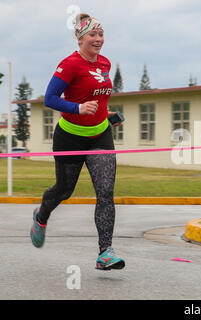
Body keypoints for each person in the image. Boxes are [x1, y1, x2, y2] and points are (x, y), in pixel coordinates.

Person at [30, 13, 125, 271]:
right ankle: (41, 217)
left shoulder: (104, 63)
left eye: (101, 34)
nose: (98, 39)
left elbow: (98, 100)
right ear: (80, 38)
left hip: (100, 136)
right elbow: (50, 98)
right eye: (93, 35)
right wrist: (78, 108)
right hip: (69, 136)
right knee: (64, 189)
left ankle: (105, 252)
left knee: (105, 192)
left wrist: (107, 115)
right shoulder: (70, 64)